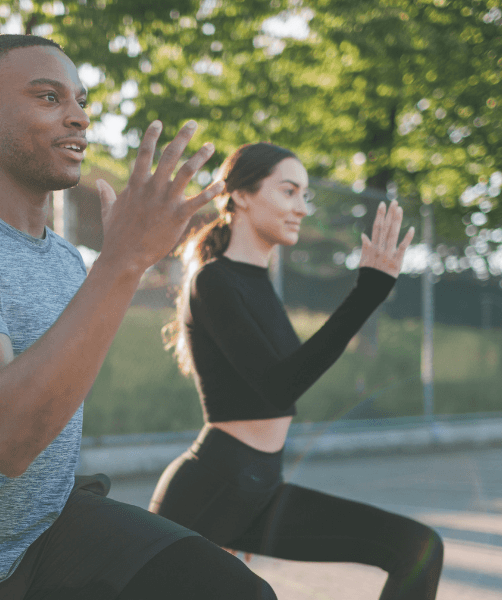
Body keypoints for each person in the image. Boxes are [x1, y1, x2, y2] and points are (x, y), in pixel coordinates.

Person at [0, 35, 278, 600]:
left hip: (45, 529)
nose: (77, 116)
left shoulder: (65, 259)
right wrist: (124, 261)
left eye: (81, 100)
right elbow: (2, 440)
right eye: (49, 98)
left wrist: (120, 264)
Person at [150, 142, 444, 600]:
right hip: (210, 493)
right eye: (289, 192)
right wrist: (367, 292)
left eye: (305, 195)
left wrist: (371, 289)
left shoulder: (256, 282)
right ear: (242, 195)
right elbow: (279, 387)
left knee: (416, 547)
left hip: (260, 487)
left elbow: (284, 378)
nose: (301, 208)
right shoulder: (212, 280)